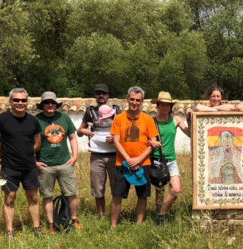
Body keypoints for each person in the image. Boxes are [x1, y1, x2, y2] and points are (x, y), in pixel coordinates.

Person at [0, 88, 42, 237]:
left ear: (27, 102)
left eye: (23, 100)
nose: (20, 103)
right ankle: (9, 231)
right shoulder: (0, 120)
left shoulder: (33, 121)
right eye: (16, 100)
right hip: (9, 167)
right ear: (10, 101)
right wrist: (6, 157)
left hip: (29, 166)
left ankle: (37, 229)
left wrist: (26, 155)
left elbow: (37, 143)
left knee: (33, 197)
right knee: (10, 198)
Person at [110, 86, 160, 227]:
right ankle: (113, 226)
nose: (134, 102)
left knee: (142, 195)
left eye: (138, 100)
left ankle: (139, 224)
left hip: (143, 163)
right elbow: (115, 140)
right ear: (127, 99)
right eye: (132, 99)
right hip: (122, 163)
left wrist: (138, 159)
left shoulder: (148, 119)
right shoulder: (119, 119)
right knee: (117, 195)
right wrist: (128, 159)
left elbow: (153, 142)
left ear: (142, 102)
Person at [35, 91, 82, 232]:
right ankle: (51, 224)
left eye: (52, 102)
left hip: (65, 163)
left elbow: (73, 137)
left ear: (56, 104)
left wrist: (75, 156)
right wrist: (34, 162)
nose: (50, 105)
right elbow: (28, 142)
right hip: (44, 165)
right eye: (47, 102)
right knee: (47, 195)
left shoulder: (64, 118)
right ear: (42, 105)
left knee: (71, 193)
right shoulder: (36, 120)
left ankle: (74, 219)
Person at [77, 83, 122, 218]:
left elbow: (124, 130)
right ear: (94, 95)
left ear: (108, 95)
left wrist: (114, 138)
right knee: (98, 188)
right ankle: (101, 216)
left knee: (116, 188)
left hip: (115, 155)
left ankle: (115, 215)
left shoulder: (117, 110)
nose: (101, 95)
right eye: (98, 93)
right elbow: (79, 131)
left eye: (103, 93)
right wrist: (85, 132)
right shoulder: (90, 111)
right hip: (96, 156)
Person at [150, 91, 190, 223]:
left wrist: (190, 118)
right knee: (160, 191)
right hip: (156, 159)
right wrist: (151, 142)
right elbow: (145, 138)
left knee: (176, 189)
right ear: (158, 106)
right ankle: (159, 218)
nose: (165, 107)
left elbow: (190, 133)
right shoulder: (152, 121)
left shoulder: (176, 120)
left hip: (171, 160)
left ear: (171, 106)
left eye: (168, 105)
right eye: (162, 104)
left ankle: (162, 212)